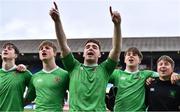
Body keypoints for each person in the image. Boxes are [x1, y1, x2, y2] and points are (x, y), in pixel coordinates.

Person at [49, 2, 122, 111]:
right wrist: (57, 21)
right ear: (83, 53)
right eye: (87, 47)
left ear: (99, 54)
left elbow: (116, 50)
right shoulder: (73, 67)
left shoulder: (105, 69)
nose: (90, 48)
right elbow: (63, 45)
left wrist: (117, 25)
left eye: (94, 47)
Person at [109, 47, 179, 111]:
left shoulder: (146, 74)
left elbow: (163, 75)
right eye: (128, 54)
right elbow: (99, 77)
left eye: (134, 54)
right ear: (124, 59)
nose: (131, 55)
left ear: (139, 60)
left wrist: (174, 74)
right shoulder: (116, 74)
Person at [25, 41, 69, 111]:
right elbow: (28, 99)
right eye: (41, 49)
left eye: (47, 48)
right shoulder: (34, 77)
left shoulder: (65, 75)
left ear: (54, 53)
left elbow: (75, 95)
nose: (43, 49)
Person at [0, 42, 32, 111]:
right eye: (4, 49)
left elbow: (35, 89)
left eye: (9, 49)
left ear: (15, 55)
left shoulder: (24, 73)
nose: (5, 50)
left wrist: (24, 102)